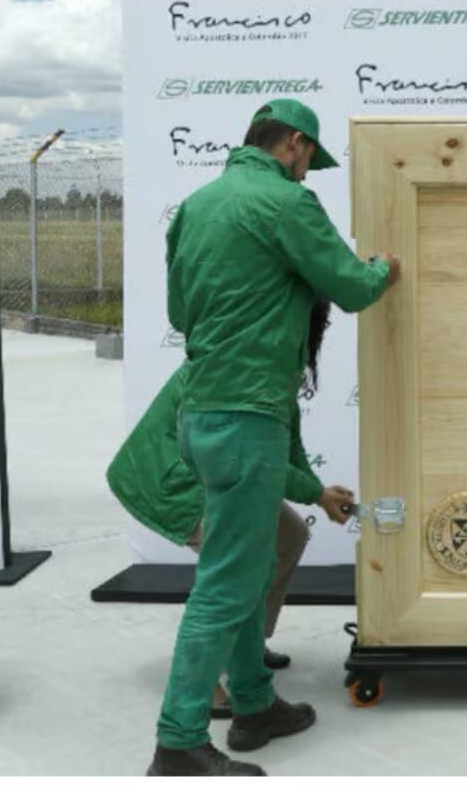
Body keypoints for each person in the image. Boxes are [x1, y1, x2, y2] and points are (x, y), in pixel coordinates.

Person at [148, 98, 400, 776]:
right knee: (227, 586)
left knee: (245, 567)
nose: (305, 175)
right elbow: (351, 286)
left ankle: (256, 703)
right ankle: (178, 740)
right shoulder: (287, 204)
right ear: (291, 144)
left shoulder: (196, 206)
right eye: (306, 162)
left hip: (201, 415)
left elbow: (178, 308)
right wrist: (386, 270)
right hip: (247, 416)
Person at [109, 306, 355, 718]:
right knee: (230, 577)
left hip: (214, 470)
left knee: (289, 535)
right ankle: (203, 689)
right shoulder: (245, 356)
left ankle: (249, 647)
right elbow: (265, 458)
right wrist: (315, 493)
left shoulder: (276, 355)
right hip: (170, 477)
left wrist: (318, 491)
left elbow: (285, 441)